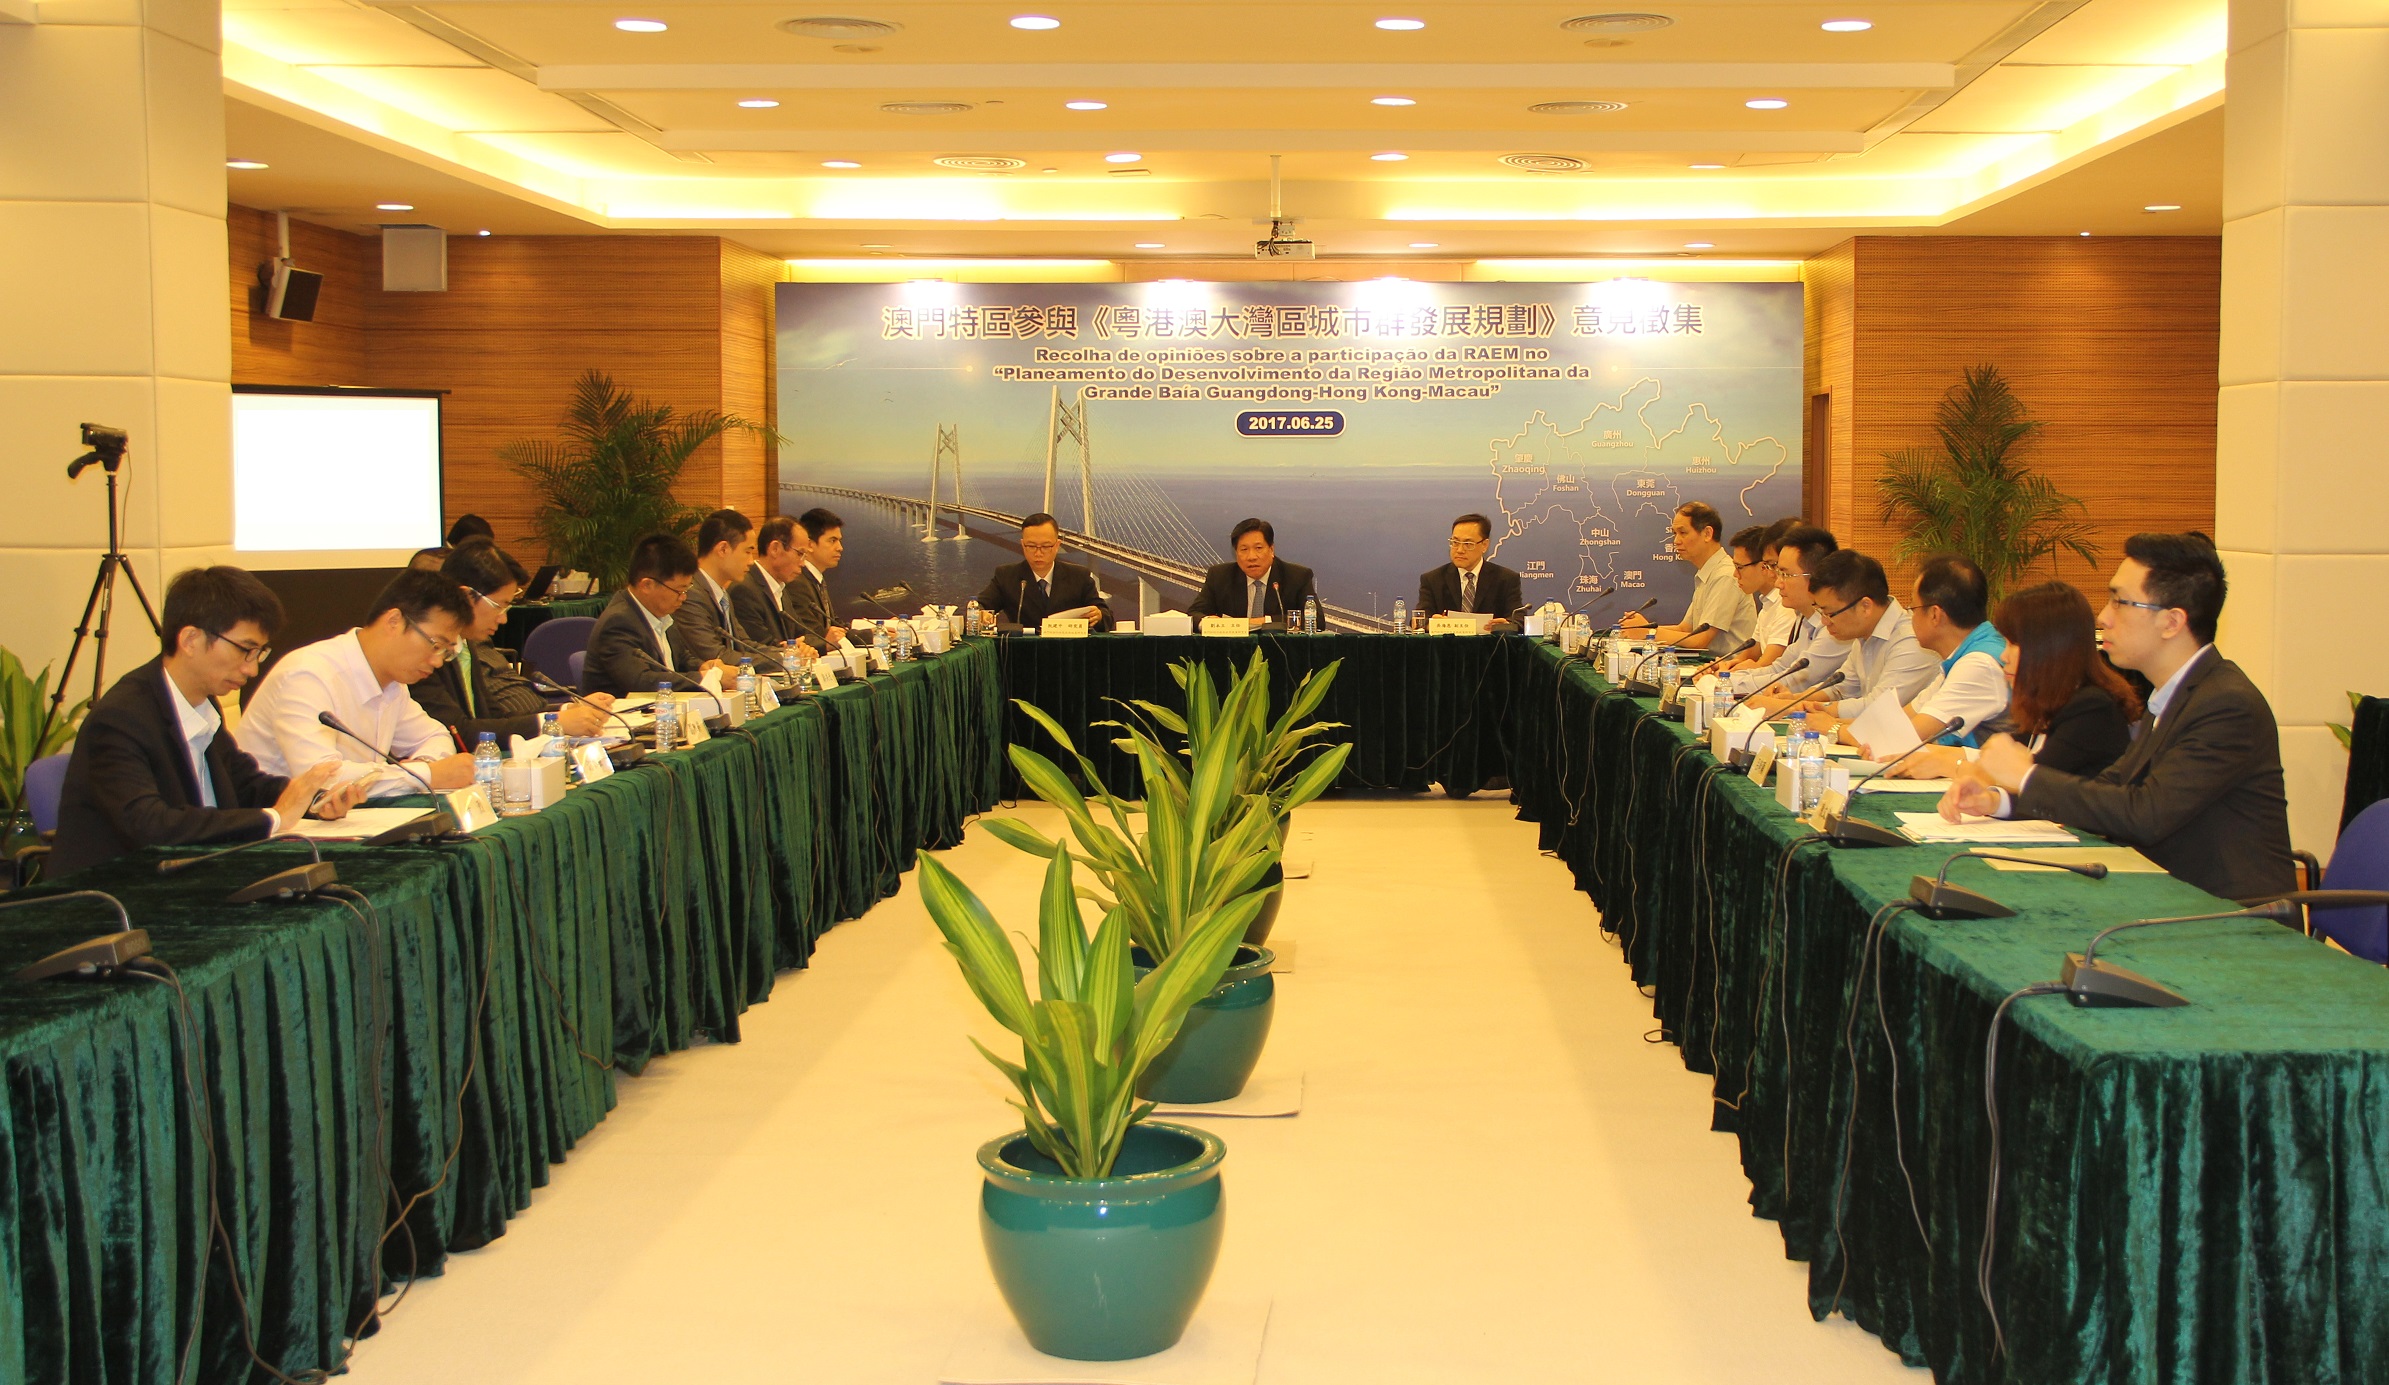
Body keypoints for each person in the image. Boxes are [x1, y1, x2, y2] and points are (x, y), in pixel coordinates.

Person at [1942, 533, 2294, 899]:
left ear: (2171, 622)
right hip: (2166, 894)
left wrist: (2025, 775)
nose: (2103, 617)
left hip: (2231, 913)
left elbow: (2145, 814)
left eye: (2120, 602)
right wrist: (1999, 801)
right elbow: (2112, 788)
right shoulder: (2175, 694)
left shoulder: (2225, 704)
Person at [49, 567, 366, 876]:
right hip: (116, 891)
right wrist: (274, 818)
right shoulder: (121, 718)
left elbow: (245, 785)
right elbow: (149, 825)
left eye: (259, 653)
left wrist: (314, 799)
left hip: (196, 874)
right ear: (190, 640)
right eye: (245, 650)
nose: (252, 669)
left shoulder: (202, 702)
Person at [237, 569, 479, 797]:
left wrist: (425, 765)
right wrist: (424, 775)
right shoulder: (308, 674)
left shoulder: (393, 684)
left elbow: (435, 736)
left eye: (446, 652)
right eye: (435, 645)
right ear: (394, 621)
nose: (437, 661)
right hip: (273, 820)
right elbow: (323, 779)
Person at [1885, 581, 2135, 781]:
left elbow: (2028, 780)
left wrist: (1952, 765)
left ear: (2049, 649)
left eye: (2013, 644)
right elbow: (2005, 757)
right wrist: (1935, 754)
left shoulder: (2090, 709)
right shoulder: (2050, 704)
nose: (2004, 656)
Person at [413, 540, 615, 742]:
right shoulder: (424, 653)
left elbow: (494, 716)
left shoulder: (466, 644)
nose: (503, 619)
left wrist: (567, 711)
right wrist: (553, 723)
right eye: (499, 606)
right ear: (467, 596)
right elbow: (459, 731)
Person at [1845, 554, 2008, 753]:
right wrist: (1837, 725)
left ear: (1935, 615)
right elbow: (1902, 719)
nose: (1910, 617)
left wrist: (1836, 730)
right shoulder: (1963, 655)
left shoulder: (1979, 664)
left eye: (1913, 608)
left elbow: (1903, 739)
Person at [1776, 549, 1936, 733]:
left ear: (1865, 606)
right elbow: (1841, 687)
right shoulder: (1863, 633)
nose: (1824, 622)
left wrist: (1816, 710)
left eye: (1829, 613)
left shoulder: (1911, 641)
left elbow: (1878, 707)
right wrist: (1799, 700)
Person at [580, 533, 724, 696]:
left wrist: (702, 667)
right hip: (625, 710)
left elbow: (681, 659)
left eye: (686, 589)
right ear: (647, 585)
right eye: (679, 591)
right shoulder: (618, 622)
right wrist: (703, 679)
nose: (683, 597)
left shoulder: (661, 612)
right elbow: (640, 680)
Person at [1617, 500, 1753, 652]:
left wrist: (1647, 632)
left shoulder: (1725, 575)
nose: (1676, 541)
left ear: (1707, 534)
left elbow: (1700, 640)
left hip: (1730, 664)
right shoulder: (1708, 572)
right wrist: (1641, 628)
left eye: (1683, 533)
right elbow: (1685, 629)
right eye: (1674, 534)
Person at [1743, 524, 1851, 709]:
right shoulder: (1806, 621)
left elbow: (1796, 680)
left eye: (1785, 574)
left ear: (1815, 577)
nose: (1778, 583)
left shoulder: (1835, 627)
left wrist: (1727, 683)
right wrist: (1726, 679)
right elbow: (1780, 669)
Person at [976, 512, 1111, 629]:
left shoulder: (1079, 576)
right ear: (1023, 545)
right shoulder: (1006, 576)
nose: (1038, 553)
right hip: (1021, 649)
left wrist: (1098, 616)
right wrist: (981, 614)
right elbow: (980, 606)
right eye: (1031, 546)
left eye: (1046, 546)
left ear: (1057, 545)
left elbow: (1106, 617)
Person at [1187, 518, 1319, 627]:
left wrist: (1263, 621)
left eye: (1258, 548)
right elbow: (1194, 614)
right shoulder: (1219, 576)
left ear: (1271, 550)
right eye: (1244, 549)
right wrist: (1209, 622)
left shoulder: (1297, 577)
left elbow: (1316, 620)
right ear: (1236, 553)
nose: (1251, 557)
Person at [675, 508, 761, 664]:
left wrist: (787, 653)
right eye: (748, 552)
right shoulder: (690, 592)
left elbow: (743, 644)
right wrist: (783, 659)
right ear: (723, 549)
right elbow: (715, 655)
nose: (751, 561)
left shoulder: (721, 593)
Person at [1710, 521, 1794, 671]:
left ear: (1763, 566)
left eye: (1739, 567)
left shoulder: (1787, 606)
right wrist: (1722, 666)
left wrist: (1726, 673)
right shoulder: (1768, 603)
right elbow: (1751, 653)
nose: (1735, 574)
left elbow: (1765, 667)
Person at [1416, 513, 1523, 626]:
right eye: (1455, 542)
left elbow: (1518, 619)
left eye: (1468, 544)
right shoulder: (1433, 579)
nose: (1460, 550)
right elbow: (1419, 619)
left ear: (1484, 545)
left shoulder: (1506, 579)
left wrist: (1507, 624)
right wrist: (1430, 624)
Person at [732, 515, 809, 644]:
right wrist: (795, 648)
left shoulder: (780, 588)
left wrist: (804, 647)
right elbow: (760, 645)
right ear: (775, 549)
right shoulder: (744, 590)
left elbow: (802, 634)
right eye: (800, 554)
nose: (803, 563)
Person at [784, 507, 847, 649]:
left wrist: (872, 630)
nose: (840, 547)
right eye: (832, 540)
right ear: (810, 545)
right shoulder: (797, 583)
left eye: (839, 541)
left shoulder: (816, 579)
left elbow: (835, 625)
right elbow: (815, 634)